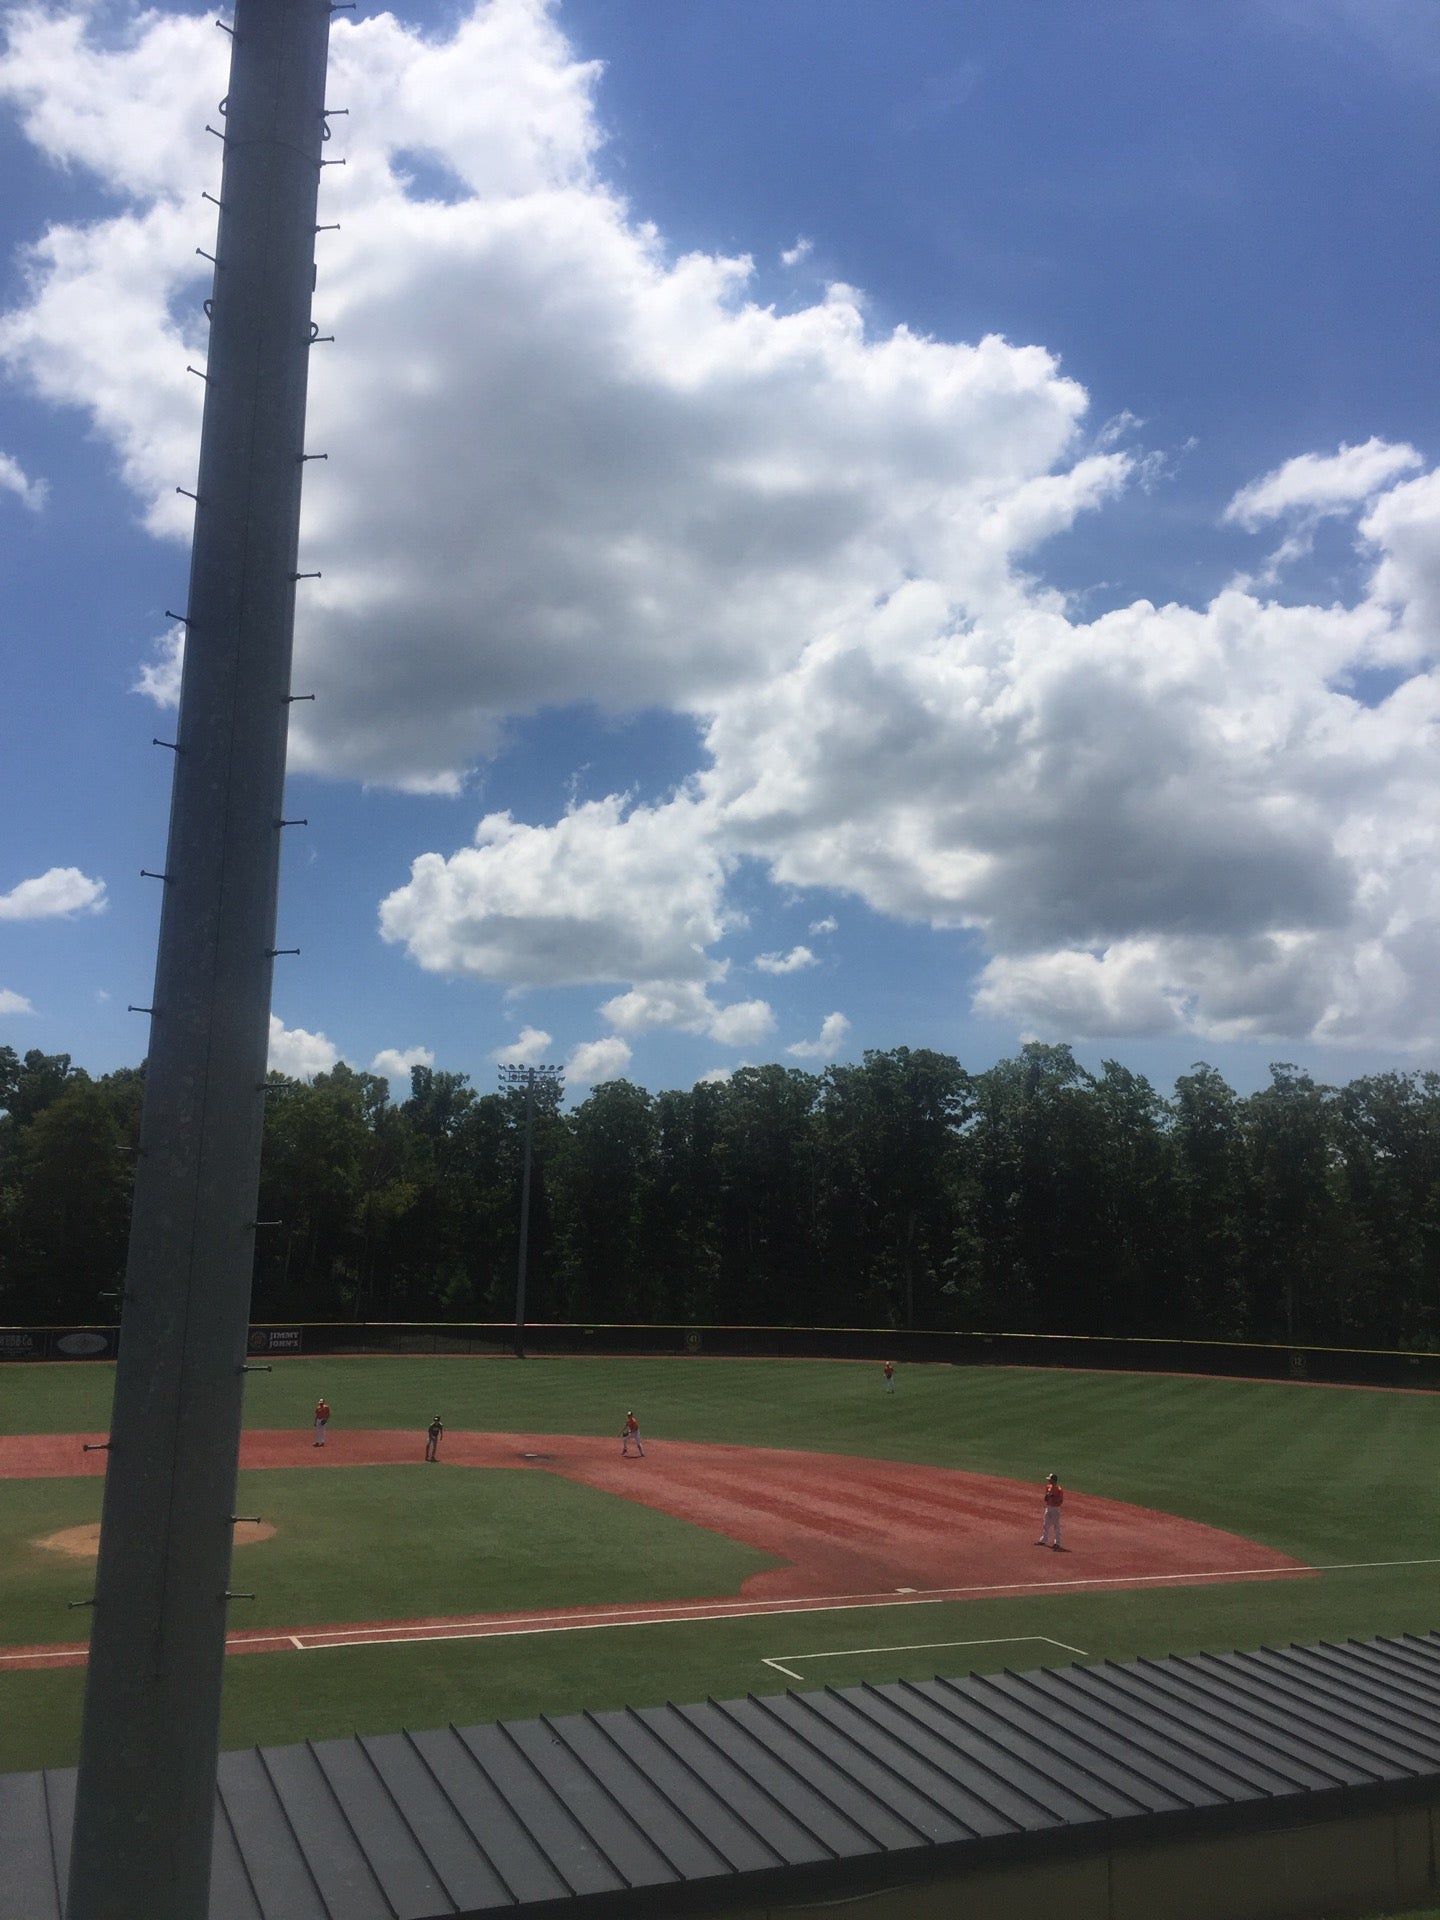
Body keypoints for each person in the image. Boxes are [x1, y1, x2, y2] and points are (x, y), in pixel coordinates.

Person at [1036, 1471, 1063, 1549]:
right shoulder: (1048, 1487)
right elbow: (1046, 1498)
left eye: (1050, 1479)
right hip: (1048, 1507)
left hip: (1055, 1508)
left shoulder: (1059, 1489)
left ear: (1053, 1480)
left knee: (1056, 1526)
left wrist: (1054, 1498)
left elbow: (1060, 1501)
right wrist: (1047, 1496)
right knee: (1046, 1524)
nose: (1048, 1480)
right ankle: (1043, 1540)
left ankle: (1057, 1543)